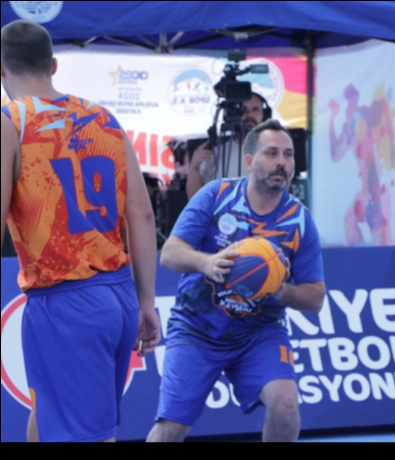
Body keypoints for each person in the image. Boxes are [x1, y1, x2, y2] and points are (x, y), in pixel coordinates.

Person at [0, 20, 161, 442]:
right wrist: (146, 302)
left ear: (1, 70)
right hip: (119, 295)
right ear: (53, 65)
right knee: (50, 412)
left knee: (88, 435)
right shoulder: (103, 118)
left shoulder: (10, 122)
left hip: (66, 302)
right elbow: (142, 216)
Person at [147, 119, 326, 442]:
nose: (282, 162)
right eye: (271, 153)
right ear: (249, 160)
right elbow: (169, 253)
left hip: (259, 333)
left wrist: (281, 290)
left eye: (288, 155)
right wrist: (207, 262)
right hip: (197, 327)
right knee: (171, 428)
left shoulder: (300, 220)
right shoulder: (217, 194)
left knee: (285, 406)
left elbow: (316, 299)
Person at [186, 92, 271, 200]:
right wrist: (194, 168)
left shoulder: (274, 152)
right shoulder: (214, 154)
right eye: (243, 109)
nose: (250, 115)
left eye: (255, 109)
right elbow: (196, 200)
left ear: (264, 114)